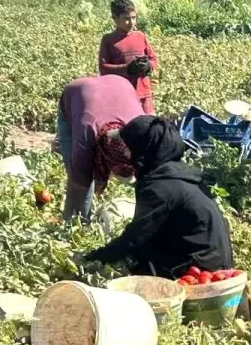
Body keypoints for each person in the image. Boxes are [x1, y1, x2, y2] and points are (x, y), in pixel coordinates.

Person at [81, 116, 233, 279]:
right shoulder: (182, 174)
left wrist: (92, 259)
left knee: (139, 256)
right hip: (218, 263)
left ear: (143, 150)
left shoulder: (159, 186)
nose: (125, 152)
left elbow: (134, 238)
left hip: (199, 273)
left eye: (128, 146)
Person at [56, 75, 143, 223]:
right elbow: (80, 180)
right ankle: (74, 222)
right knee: (78, 175)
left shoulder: (142, 131)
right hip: (77, 94)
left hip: (120, 84)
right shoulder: (86, 132)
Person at [99, 0, 159, 116]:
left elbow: (153, 59)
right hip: (121, 94)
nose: (131, 22)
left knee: (149, 126)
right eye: (126, 19)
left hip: (144, 93)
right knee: (127, 127)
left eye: (133, 18)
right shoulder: (108, 40)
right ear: (115, 19)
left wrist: (148, 66)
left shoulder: (140, 36)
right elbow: (103, 68)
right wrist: (128, 68)